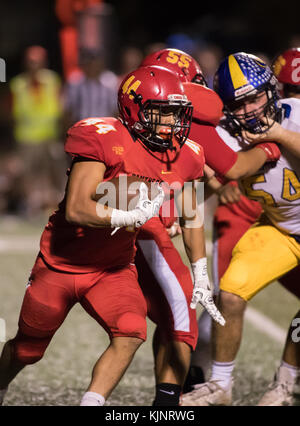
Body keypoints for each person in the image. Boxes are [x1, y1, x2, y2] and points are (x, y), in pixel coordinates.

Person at [0, 64, 224, 407]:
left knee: (132, 331)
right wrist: (129, 215)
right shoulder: (102, 136)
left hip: (113, 269)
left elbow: (192, 215)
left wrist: (201, 272)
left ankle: (93, 403)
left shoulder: (187, 154)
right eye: (160, 114)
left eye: (175, 115)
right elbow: (76, 208)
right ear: (134, 109)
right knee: (28, 350)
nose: (170, 125)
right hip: (61, 265)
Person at [136, 48, 281, 402]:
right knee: (180, 314)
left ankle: (169, 394)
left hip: (143, 216)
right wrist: (268, 151)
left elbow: (190, 179)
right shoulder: (188, 111)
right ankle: (171, 398)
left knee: (141, 326)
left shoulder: (143, 108)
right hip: (146, 221)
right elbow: (226, 166)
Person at [181, 52, 300, 406]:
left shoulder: (295, 112)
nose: (248, 109)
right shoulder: (228, 133)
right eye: (239, 103)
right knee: (229, 295)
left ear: (272, 90)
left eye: (254, 98)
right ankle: (220, 385)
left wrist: (278, 134)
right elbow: (204, 171)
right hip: (282, 230)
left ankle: (284, 384)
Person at [9, 45, 65, 216]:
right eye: (31, 62)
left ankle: (60, 203)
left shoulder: (52, 80)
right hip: (27, 137)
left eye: (37, 62)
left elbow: (60, 105)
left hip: (50, 135)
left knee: (56, 169)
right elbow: (13, 112)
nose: (34, 65)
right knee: (29, 173)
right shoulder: (17, 84)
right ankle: (32, 206)